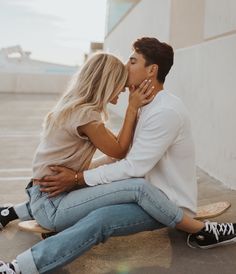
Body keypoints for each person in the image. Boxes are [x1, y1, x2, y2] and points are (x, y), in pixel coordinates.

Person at [0, 38, 235, 274]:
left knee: (101, 216)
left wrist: (77, 178)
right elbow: (120, 158)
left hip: (163, 201)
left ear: (151, 70)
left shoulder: (165, 112)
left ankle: (19, 268)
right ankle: (18, 222)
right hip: (130, 192)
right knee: (99, 192)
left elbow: (131, 166)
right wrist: (78, 177)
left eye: (132, 61)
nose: (126, 66)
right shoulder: (141, 107)